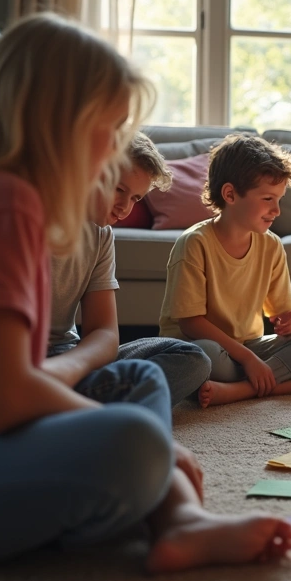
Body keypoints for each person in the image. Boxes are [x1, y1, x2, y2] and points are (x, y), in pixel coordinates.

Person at [0, 13, 291, 573]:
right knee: (135, 441)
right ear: (60, 119)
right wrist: (160, 454)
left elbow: (14, 384)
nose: (116, 147)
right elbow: (1, 400)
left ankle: (175, 522)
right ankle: (157, 506)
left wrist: (56, 380)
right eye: (112, 127)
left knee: (138, 378)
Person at [159, 134, 291, 407]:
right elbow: (190, 323)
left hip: (248, 347)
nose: (277, 210)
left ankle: (239, 390)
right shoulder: (194, 243)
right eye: (268, 198)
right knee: (203, 356)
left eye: (279, 199)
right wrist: (250, 360)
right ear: (230, 194)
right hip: (199, 346)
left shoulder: (271, 245)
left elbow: (285, 314)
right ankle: (288, 383)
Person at [45, 132, 211, 407]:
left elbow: (105, 333)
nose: (124, 207)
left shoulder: (101, 236)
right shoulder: (30, 220)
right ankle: (88, 409)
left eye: (135, 198)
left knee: (191, 359)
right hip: (20, 362)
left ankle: (66, 405)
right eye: (119, 190)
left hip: (71, 360)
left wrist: (68, 367)